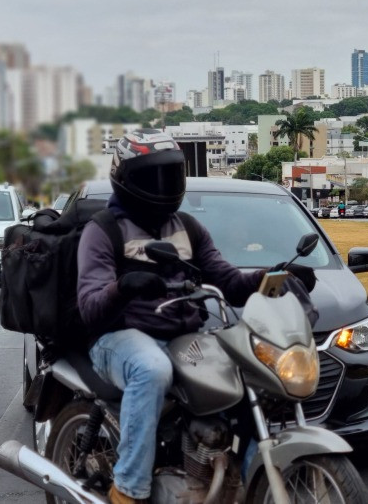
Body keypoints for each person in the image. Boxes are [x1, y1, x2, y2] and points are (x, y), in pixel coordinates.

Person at [76, 129, 316, 504]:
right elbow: (90, 306)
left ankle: (257, 481)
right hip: (119, 337)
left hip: (183, 335)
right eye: (151, 177)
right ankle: (129, 489)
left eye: (170, 175)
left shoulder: (187, 227)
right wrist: (124, 287)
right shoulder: (103, 230)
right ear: (125, 179)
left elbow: (230, 281)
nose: (163, 186)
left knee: (246, 374)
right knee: (151, 368)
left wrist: (276, 275)